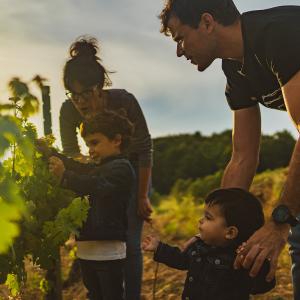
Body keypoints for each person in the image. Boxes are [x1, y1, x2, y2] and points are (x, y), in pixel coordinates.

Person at [158, 1, 300, 298]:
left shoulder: (279, 33)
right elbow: (242, 157)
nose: (179, 51)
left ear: (207, 22)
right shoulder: (234, 70)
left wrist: (279, 221)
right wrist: (209, 236)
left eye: (180, 37)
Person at [59, 36, 153, 299]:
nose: (80, 102)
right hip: (95, 173)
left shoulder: (124, 101)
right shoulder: (68, 111)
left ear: (100, 87)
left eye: (86, 93)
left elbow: (144, 148)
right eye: (74, 95)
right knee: (96, 236)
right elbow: (72, 153)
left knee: (130, 242)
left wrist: (142, 195)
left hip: (131, 172)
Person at [46, 110, 135, 300]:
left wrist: (65, 177)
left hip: (109, 251)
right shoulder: (98, 168)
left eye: (95, 143)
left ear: (116, 140)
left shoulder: (122, 168)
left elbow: (97, 185)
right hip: (87, 249)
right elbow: (79, 168)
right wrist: (50, 153)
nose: (90, 150)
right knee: (94, 295)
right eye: (87, 144)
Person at [143, 188, 275, 300]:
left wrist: (259, 265)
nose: (201, 220)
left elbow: (260, 286)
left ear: (230, 232)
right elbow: (182, 259)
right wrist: (159, 247)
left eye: (208, 217)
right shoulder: (200, 246)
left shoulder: (240, 260)